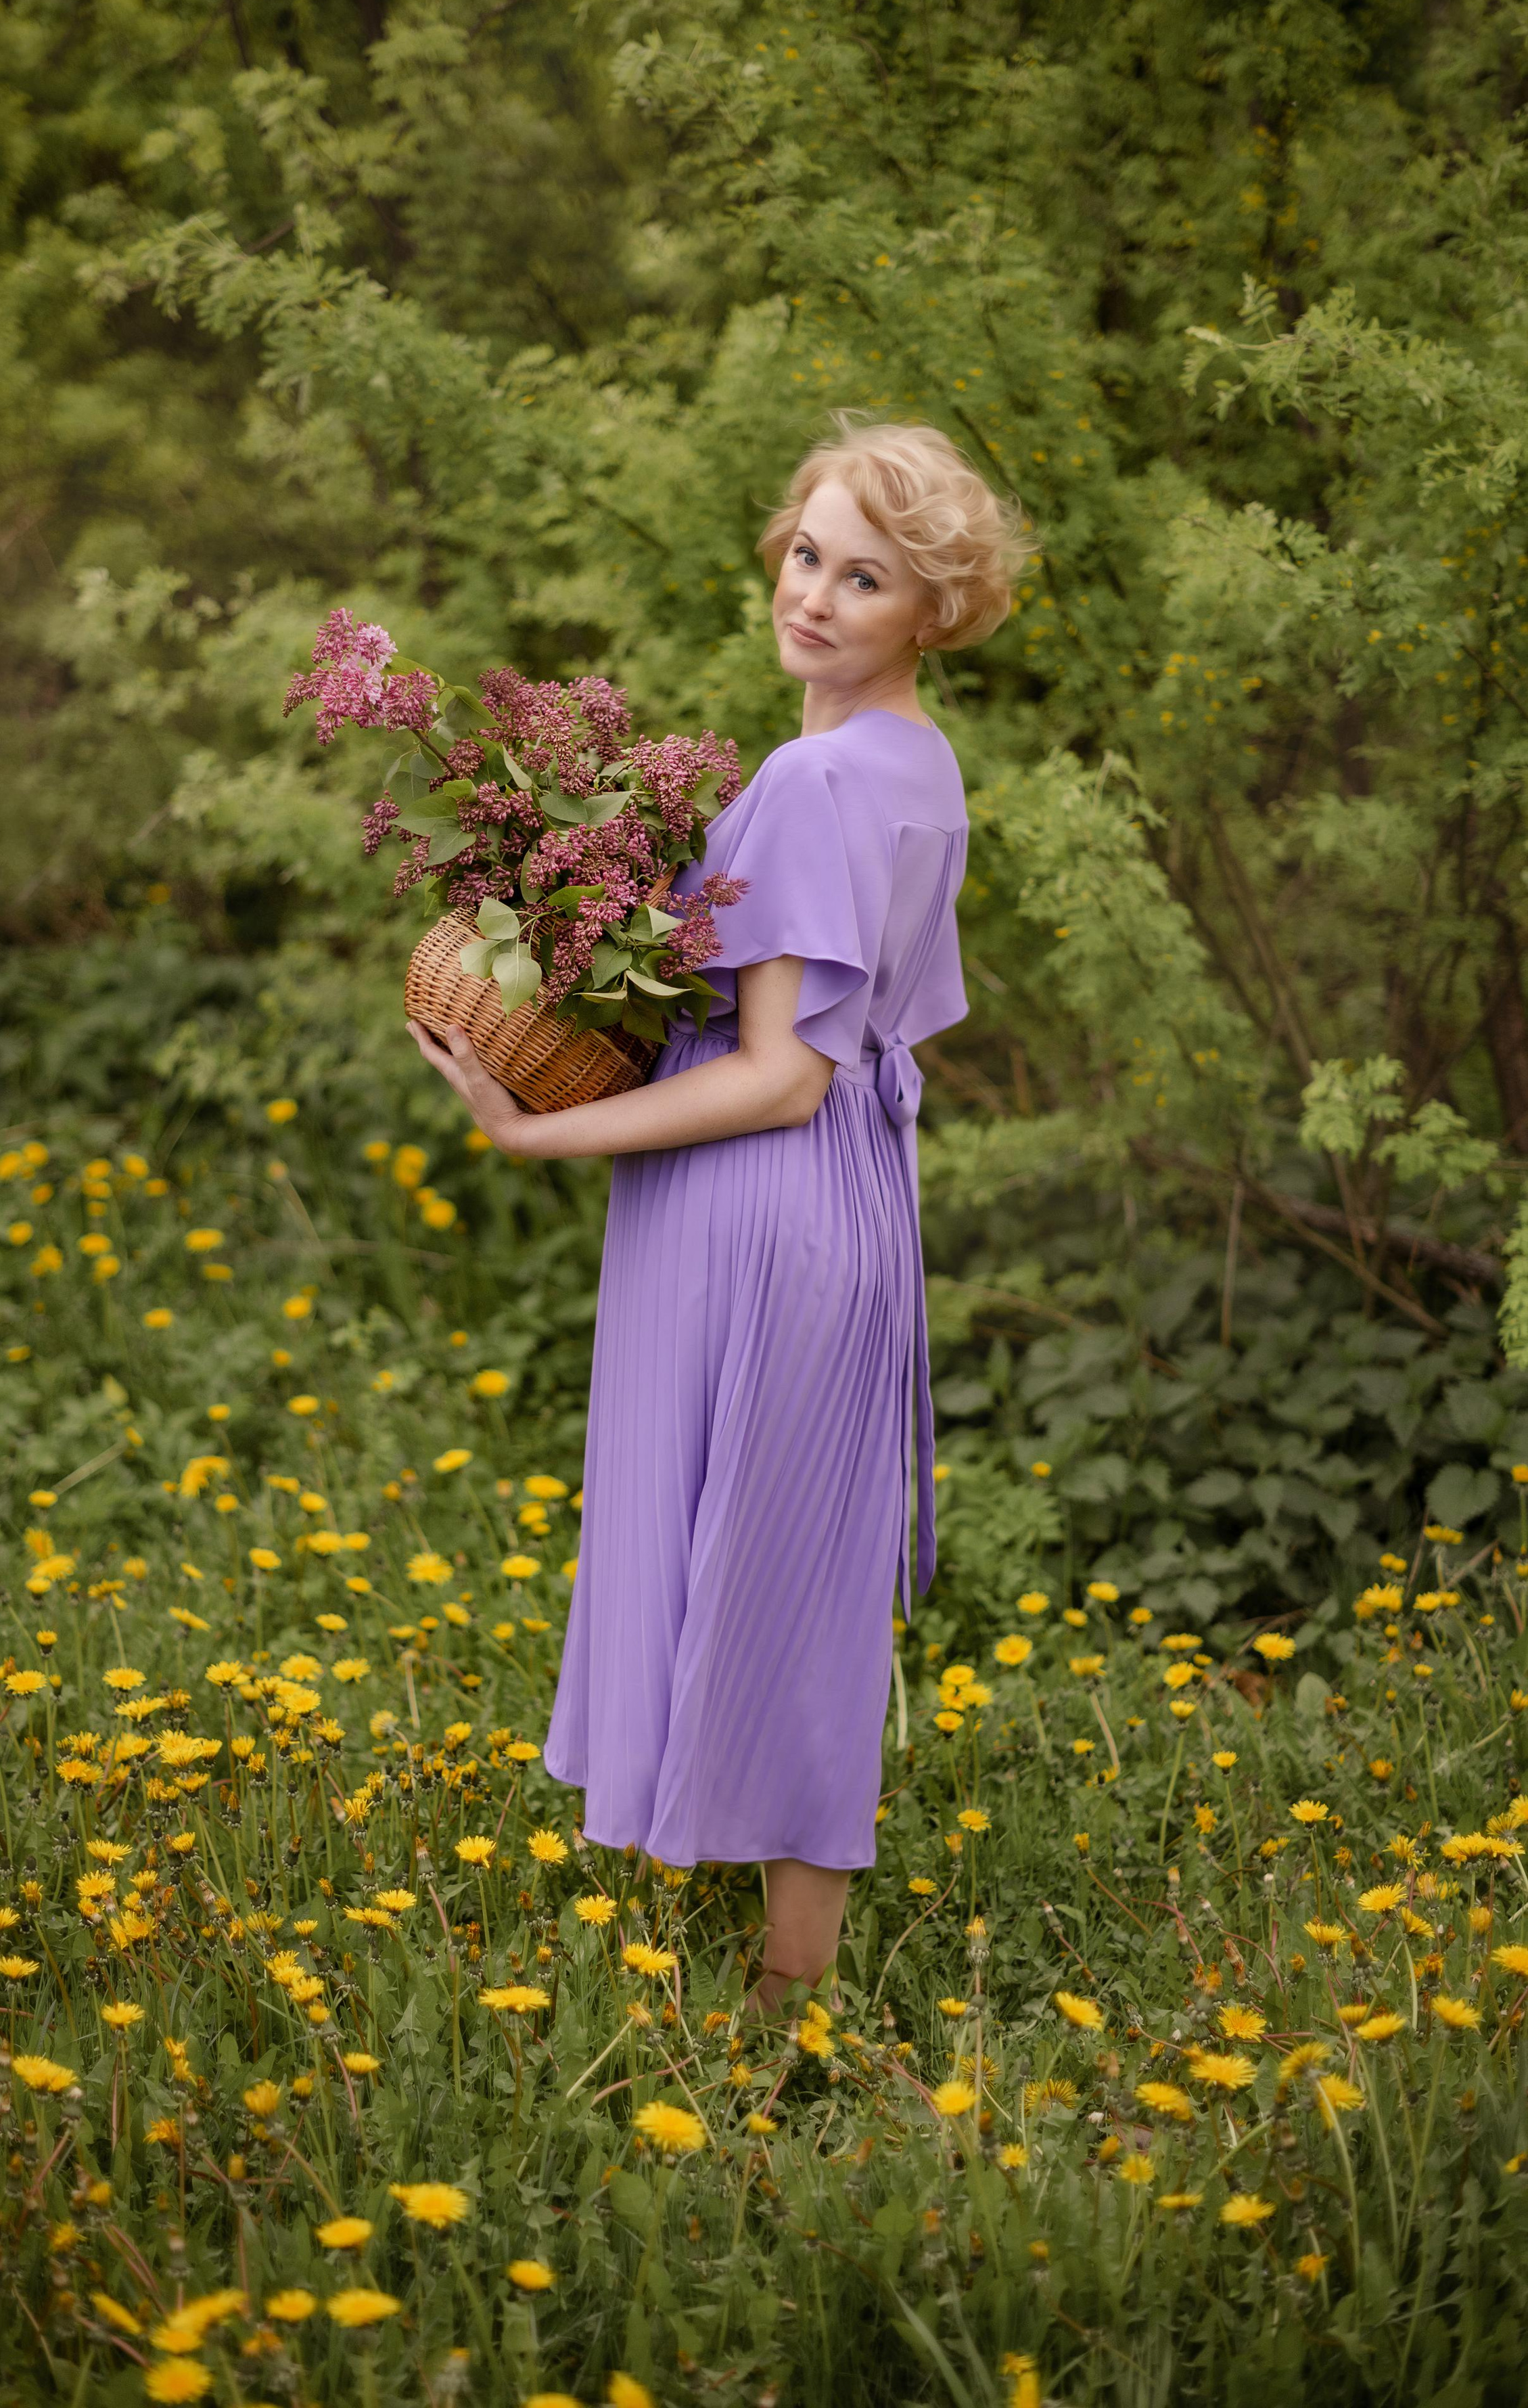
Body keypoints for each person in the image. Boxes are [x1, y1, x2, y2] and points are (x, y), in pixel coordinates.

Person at [408, 416, 1027, 2011]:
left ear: (932, 614)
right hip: (847, 1211)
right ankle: (780, 1975)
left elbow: (777, 1078)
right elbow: (865, 1045)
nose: (814, 596)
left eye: (867, 578)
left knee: (760, 1553)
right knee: (790, 1558)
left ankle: (782, 2002)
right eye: (808, 553)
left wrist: (539, 1133)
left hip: (757, 1204)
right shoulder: (915, 765)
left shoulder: (820, 778)